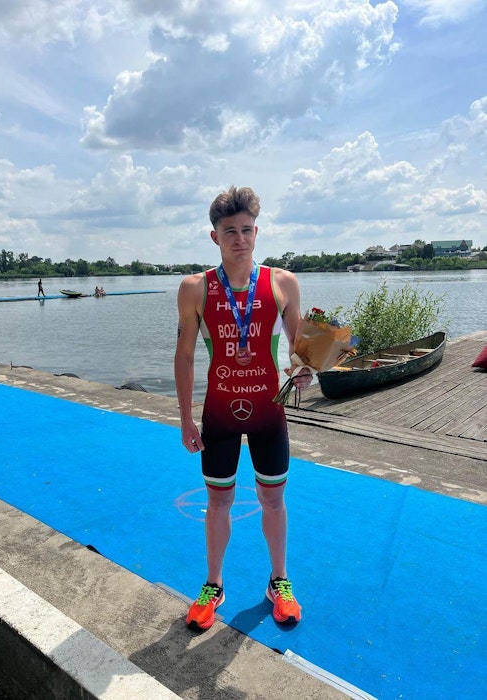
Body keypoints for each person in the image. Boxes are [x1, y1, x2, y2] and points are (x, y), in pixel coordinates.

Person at [174, 186, 312, 631]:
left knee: (273, 498)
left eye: (247, 230)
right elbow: (184, 356)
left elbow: (299, 349)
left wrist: (305, 371)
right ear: (214, 236)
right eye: (229, 231)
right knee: (218, 501)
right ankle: (213, 585)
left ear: (257, 232)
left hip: (268, 411)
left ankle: (279, 581)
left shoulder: (283, 282)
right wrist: (184, 417)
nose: (239, 238)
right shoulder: (195, 288)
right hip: (219, 412)